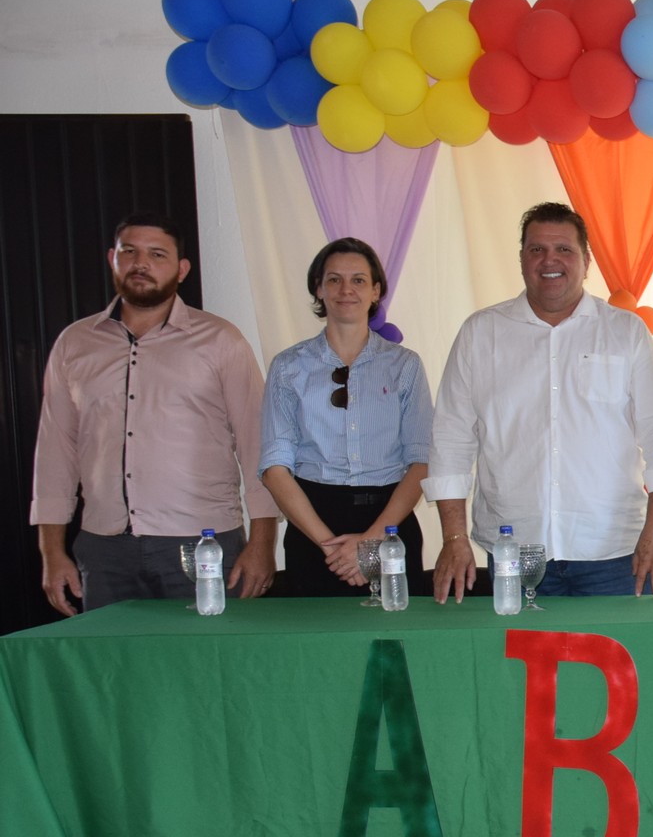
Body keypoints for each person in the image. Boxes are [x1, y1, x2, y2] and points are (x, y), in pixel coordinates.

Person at [424, 202, 653, 601]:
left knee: (623, 662)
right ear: (522, 259)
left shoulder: (625, 333)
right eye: (536, 250)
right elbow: (451, 441)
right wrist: (454, 536)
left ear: (586, 261)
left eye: (564, 249)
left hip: (615, 554)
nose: (550, 260)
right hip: (514, 551)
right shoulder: (482, 333)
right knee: (521, 664)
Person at [31, 213, 278, 614]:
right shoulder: (75, 343)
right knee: (113, 670)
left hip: (203, 544)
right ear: (113, 258)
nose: (140, 264)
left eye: (157, 254)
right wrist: (51, 551)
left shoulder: (220, 341)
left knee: (202, 667)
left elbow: (258, 444)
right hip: (104, 548)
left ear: (181, 270)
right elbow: (55, 451)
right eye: (130, 252)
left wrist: (263, 542)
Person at [259, 238, 433, 596]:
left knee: (395, 643)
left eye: (358, 280)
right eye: (334, 280)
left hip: (389, 524)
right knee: (316, 646)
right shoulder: (289, 367)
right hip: (314, 527)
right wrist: (331, 548)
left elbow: (422, 462)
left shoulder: (404, 365)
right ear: (319, 289)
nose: (346, 290)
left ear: (375, 291)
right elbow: (275, 468)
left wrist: (370, 543)